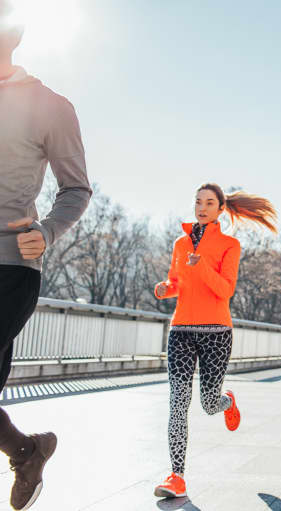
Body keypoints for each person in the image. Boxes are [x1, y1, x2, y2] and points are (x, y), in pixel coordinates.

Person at [0, 2, 92, 508]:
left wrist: (49, 230)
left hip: (10, 266)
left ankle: (26, 453)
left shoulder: (50, 105)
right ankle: (27, 452)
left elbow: (76, 189)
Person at [153, 183, 276, 499]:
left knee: (208, 404)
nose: (202, 207)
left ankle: (227, 401)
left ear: (221, 209)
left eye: (209, 202)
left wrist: (203, 265)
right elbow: (178, 281)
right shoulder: (181, 244)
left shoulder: (230, 245)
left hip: (217, 333)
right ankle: (176, 476)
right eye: (198, 201)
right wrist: (167, 288)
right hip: (181, 330)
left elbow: (225, 290)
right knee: (178, 401)